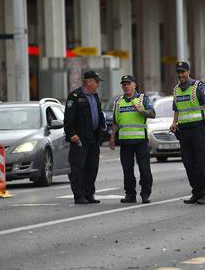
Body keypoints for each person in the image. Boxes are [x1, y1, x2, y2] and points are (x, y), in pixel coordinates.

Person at [169, 61, 205, 205]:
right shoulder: (176, 90)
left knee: (202, 163)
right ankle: (196, 193)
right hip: (184, 131)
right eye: (178, 72)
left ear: (188, 71)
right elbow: (177, 109)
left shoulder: (198, 86)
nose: (181, 75)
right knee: (189, 164)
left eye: (183, 72)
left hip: (198, 129)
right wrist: (174, 122)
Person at [109, 75, 155, 204]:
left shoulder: (143, 99)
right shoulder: (119, 102)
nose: (126, 86)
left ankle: (145, 194)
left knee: (145, 170)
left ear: (135, 85)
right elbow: (115, 122)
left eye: (128, 83)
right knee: (127, 170)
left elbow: (153, 114)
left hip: (140, 141)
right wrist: (112, 137)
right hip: (125, 142)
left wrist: (142, 111)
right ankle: (130, 194)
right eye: (123, 84)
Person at [64, 71, 107, 205]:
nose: (98, 84)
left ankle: (89, 194)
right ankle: (79, 195)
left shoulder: (95, 96)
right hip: (80, 139)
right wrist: (72, 134)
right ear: (88, 82)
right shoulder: (75, 96)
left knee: (92, 167)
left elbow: (98, 113)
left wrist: (102, 125)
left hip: (93, 137)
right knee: (78, 168)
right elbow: (68, 119)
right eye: (96, 81)